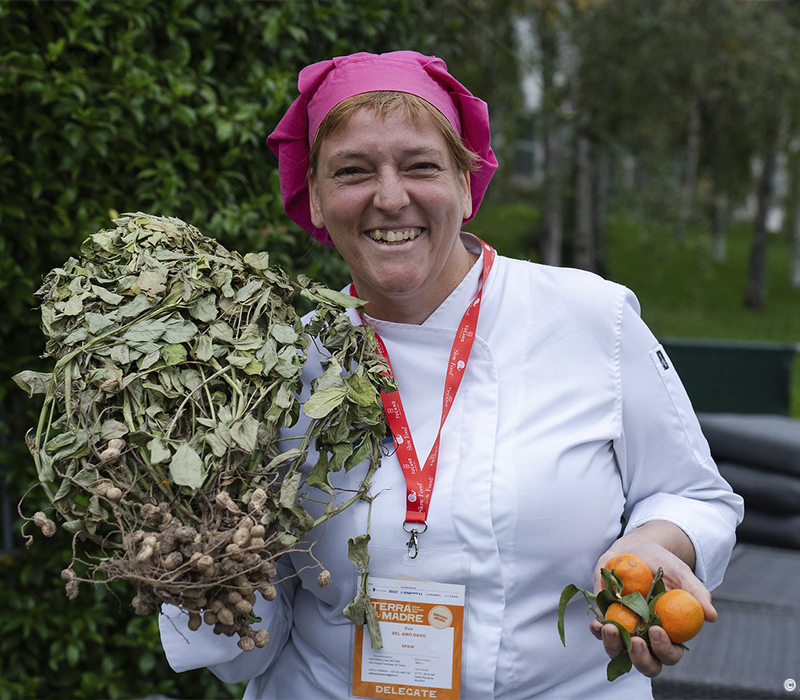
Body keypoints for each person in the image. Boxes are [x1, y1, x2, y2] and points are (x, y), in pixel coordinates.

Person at [159, 50, 744, 699]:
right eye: (352, 172)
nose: (389, 197)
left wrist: (660, 542)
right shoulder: (278, 370)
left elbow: (693, 493)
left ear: (467, 186)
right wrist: (185, 543)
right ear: (315, 200)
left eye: (420, 166)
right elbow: (241, 651)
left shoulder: (588, 318)